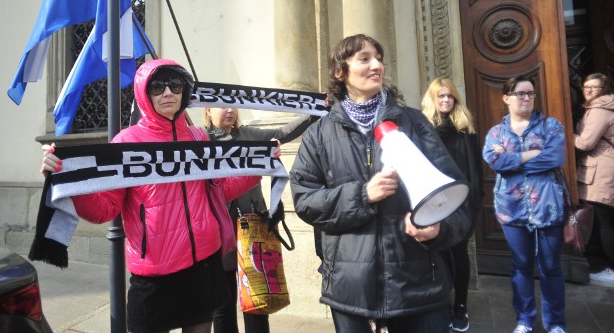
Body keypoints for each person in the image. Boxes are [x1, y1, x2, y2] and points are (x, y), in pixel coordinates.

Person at [40, 59, 262, 333]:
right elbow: (105, 209)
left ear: (184, 92)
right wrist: (69, 180)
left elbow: (220, 191)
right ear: (144, 93)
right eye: (157, 86)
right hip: (154, 274)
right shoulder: (127, 141)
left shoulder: (197, 139)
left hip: (202, 265)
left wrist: (260, 166)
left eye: (175, 84)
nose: (167, 92)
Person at [289, 34, 471, 333]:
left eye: (379, 59)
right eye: (364, 59)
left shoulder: (413, 123)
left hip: (419, 287)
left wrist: (440, 228)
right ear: (340, 72)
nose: (377, 66)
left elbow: (455, 195)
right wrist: (362, 195)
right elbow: (305, 201)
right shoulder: (319, 134)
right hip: (351, 289)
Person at [204, 107, 316, 333]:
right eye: (222, 106)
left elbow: (284, 131)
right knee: (222, 305)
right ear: (208, 109)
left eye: (233, 106)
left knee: (258, 299)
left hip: (254, 227)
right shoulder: (199, 138)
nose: (229, 111)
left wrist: (314, 110)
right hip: (219, 231)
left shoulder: (249, 135)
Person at [482, 75, 567, 333]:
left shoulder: (551, 126)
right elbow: (494, 162)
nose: (527, 98)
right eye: (520, 93)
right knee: (521, 265)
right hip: (511, 207)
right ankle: (525, 320)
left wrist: (512, 159)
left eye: (530, 93)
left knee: (551, 266)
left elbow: (555, 158)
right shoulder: (496, 132)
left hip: (547, 206)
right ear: (506, 98)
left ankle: (556, 324)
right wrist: (529, 154)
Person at [421, 78, 483, 332]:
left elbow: (475, 171)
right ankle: (441, 303)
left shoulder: (464, 129)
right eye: (441, 96)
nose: (446, 100)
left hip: (461, 203)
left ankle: (460, 305)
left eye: (450, 96)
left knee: (459, 254)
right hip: (434, 201)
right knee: (439, 254)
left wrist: (474, 203)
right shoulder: (424, 129)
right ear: (432, 100)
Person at [573, 72, 614, 287]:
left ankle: (610, 268)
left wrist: (565, 135)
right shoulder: (602, 107)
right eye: (586, 86)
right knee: (603, 220)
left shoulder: (600, 109)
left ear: (604, 89)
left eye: (594, 87)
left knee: (603, 222)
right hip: (604, 169)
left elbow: (586, 143)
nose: (588, 90)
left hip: (601, 172)